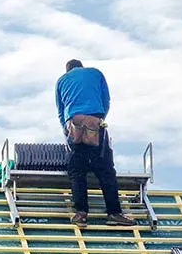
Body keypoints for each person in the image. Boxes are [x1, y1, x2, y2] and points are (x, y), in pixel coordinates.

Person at [55, 59, 134, 228]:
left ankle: (81, 213)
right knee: (105, 169)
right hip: (94, 121)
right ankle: (114, 213)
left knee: (77, 169)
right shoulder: (96, 73)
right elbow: (106, 101)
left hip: (74, 122)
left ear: (68, 70)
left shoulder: (61, 80)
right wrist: (99, 121)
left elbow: (61, 111)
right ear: (81, 67)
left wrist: (66, 129)